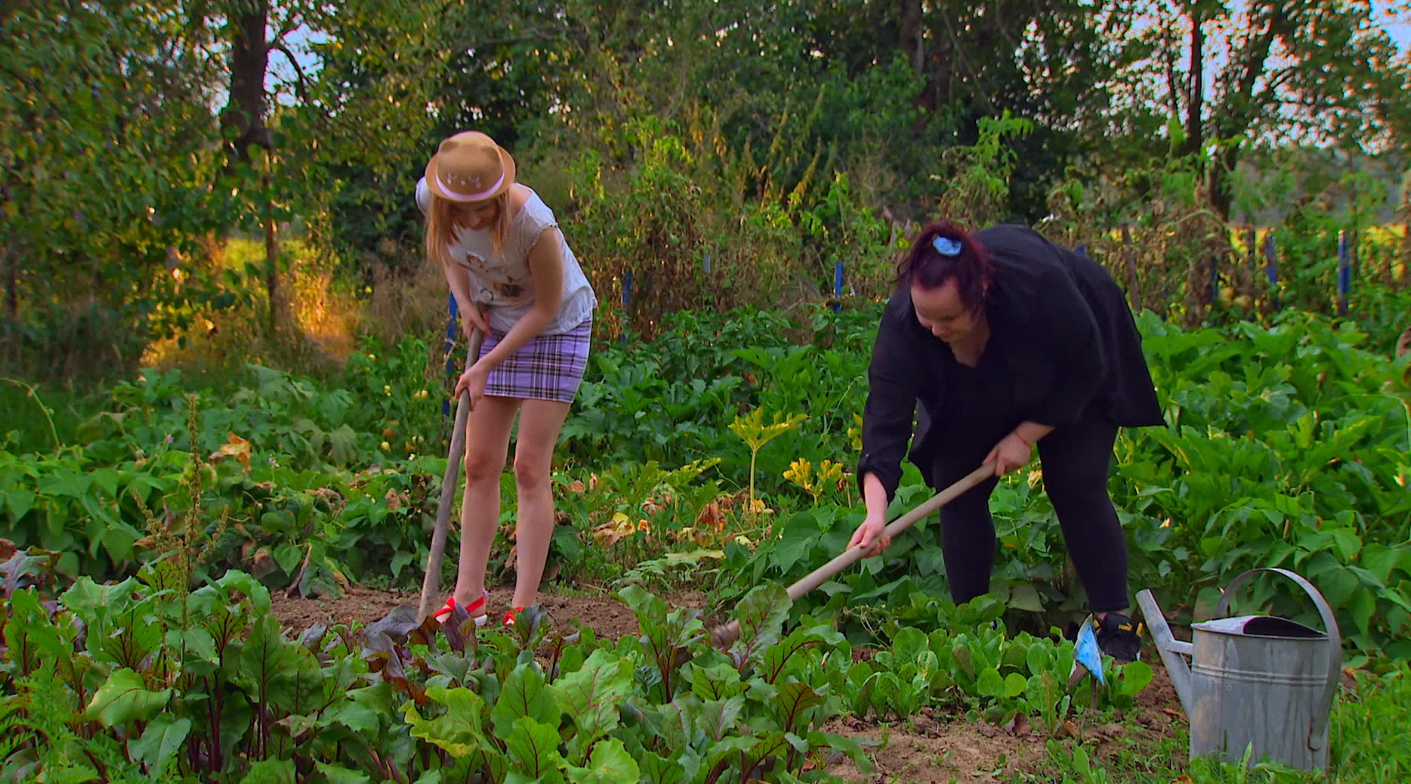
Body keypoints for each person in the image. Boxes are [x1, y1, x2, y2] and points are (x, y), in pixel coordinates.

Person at [847, 221, 1166, 662]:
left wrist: (1025, 435)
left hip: (1071, 366)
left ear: (979, 294)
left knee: (1074, 479)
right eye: (926, 317)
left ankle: (1113, 620)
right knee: (955, 480)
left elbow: (1088, 365)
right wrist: (876, 511)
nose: (935, 330)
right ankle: (973, 625)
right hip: (976, 381)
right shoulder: (906, 327)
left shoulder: (1039, 287)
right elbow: (885, 419)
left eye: (948, 318)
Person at [416, 130, 598, 628]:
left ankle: (523, 608)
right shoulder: (434, 199)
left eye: (483, 209)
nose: (472, 220)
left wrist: (486, 364)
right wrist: (467, 303)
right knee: (479, 462)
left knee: (528, 466)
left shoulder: (535, 226)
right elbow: (450, 255)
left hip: (555, 326)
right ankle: (468, 596)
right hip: (496, 320)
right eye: (462, 210)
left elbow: (545, 307)